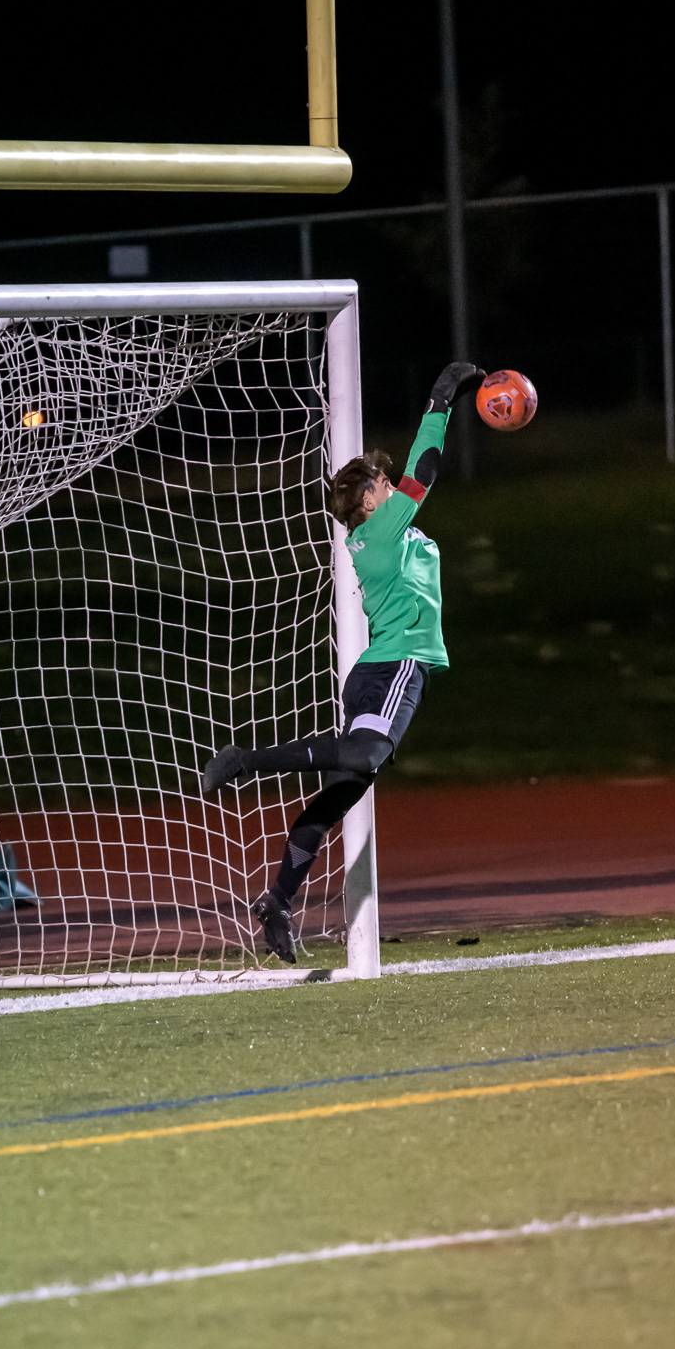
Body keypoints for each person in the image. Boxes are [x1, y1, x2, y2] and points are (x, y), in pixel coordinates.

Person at [201, 361, 485, 963]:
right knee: (364, 756)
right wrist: (441, 398)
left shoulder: (382, 535)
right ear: (370, 499)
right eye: (383, 481)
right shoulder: (379, 534)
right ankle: (246, 761)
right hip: (394, 667)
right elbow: (425, 471)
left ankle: (277, 902)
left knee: (336, 798)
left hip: (376, 672)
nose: (392, 485)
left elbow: (414, 482)